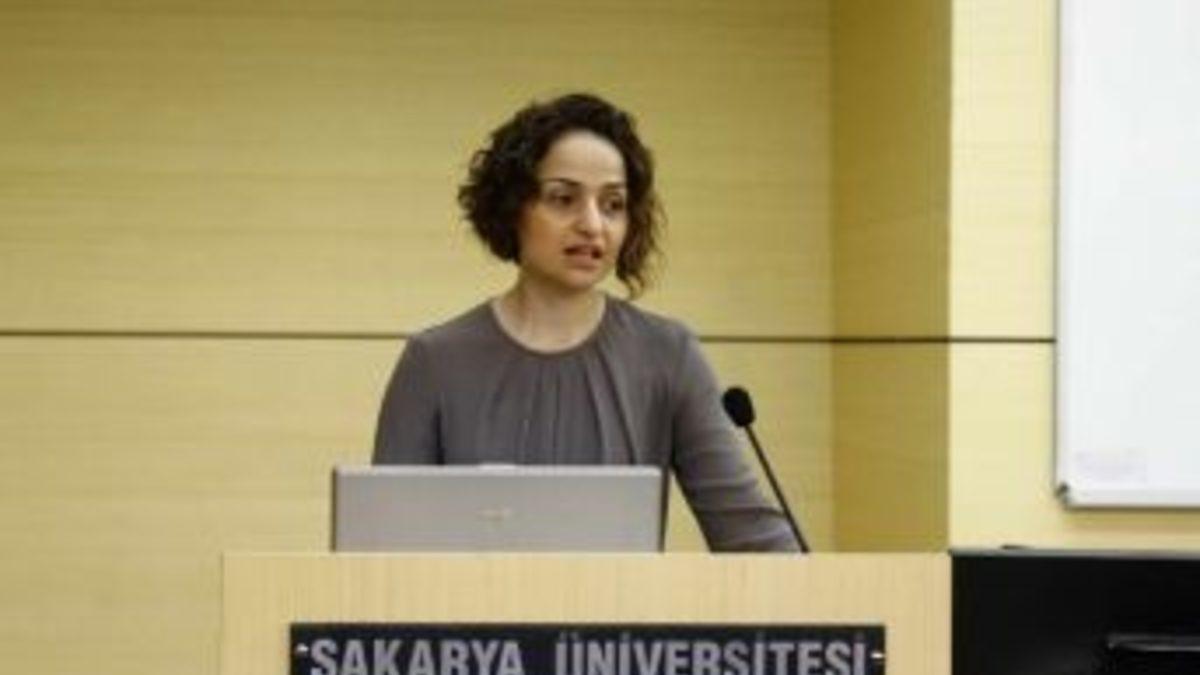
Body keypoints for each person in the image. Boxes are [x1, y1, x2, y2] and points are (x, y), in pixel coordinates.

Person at [373, 92, 799, 552]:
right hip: (469, 603)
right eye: (563, 199)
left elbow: (754, 540)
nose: (593, 225)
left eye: (613, 204)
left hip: (623, 603)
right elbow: (381, 550)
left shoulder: (668, 356)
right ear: (513, 207)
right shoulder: (434, 362)